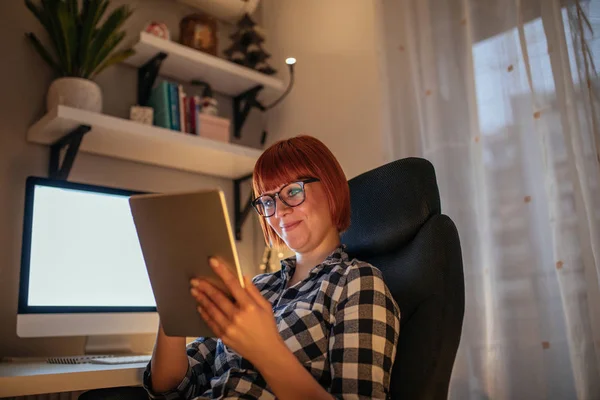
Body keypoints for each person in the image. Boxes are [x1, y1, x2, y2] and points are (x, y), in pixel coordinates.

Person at [143, 135, 401, 399]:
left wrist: (266, 349)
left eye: (293, 192)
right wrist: (172, 294)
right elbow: (172, 387)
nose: (279, 211)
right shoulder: (256, 287)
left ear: (331, 189)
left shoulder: (356, 282)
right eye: (268, 201)